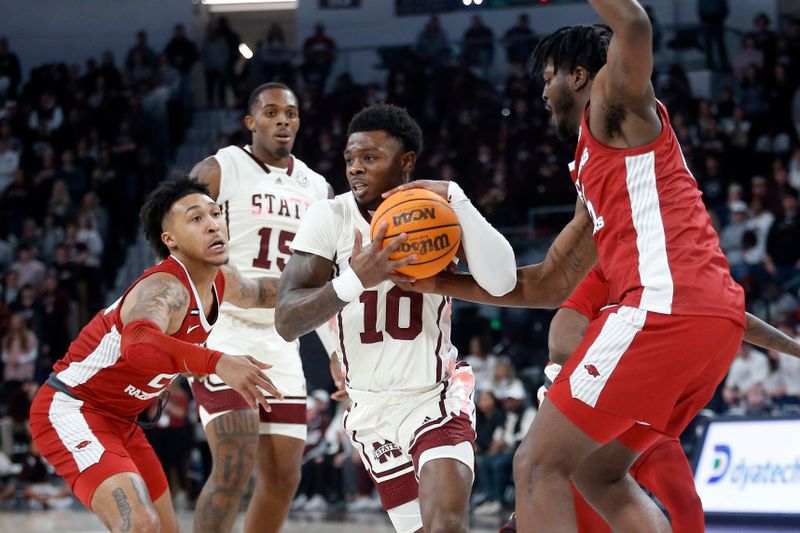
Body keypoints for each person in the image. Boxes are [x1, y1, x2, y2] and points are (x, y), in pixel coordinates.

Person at [393, 2, 746, 530]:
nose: (542, 90)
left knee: (536, 463)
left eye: (550, 75)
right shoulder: (596, 170)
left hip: (662, 311)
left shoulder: (612, 100)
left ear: (580, 75)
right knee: (596, 472)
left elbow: (633, 24)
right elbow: (549, 282)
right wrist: (439, 280)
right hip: (713, 326)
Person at [274, 103, 517, 532]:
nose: (356, 170)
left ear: (406, 162)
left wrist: (457, 196)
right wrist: (355, 278)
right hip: (368, 407)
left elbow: (501, 282)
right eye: (350, 160)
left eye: (370, 158)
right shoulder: (329, 217)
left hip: (433, 395)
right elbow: (287, 320)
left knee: (445, 525)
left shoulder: (437, 213)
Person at [28, 178, 283, 533]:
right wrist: (217, 361)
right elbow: (139, 341)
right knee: (140, 524)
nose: (213, 223)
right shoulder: (164, 288)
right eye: (195, 218)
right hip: (73, 408)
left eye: (215, 213)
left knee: (164, 530)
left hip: (123, 421)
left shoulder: (222, 279)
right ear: (170, 240)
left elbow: (261, 293)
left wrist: (343, 278)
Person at [499, 266, 800, 532]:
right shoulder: (605, 274)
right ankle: (519, 520)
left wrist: (794, 348)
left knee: (686, 504)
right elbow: (560, 342)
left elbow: (734, 316)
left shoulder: (671, 273)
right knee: (582, 492)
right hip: (592, 406)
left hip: (644, 410)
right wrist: (608, 371)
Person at [189, 82, 336, 533]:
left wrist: (335, 352)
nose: (282, 121)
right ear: (251, 122)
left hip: (281, 335)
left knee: (283, 477)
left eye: (290, 114)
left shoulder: (318, 186)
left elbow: (323, 277)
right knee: (233, 466)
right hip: (225, 329)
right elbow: (173, 226)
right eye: (271, 112)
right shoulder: (222, 166)